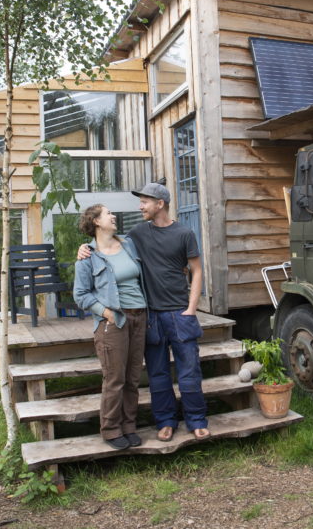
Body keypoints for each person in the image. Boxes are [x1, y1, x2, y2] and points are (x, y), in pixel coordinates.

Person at [79, 182, 210, 441]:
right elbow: (108, 242)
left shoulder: (184, 233)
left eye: (145, 202)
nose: (140, 206)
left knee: (189, 372)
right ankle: (166, 421)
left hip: (179, 313)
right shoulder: (137, 234)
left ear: (159, 204)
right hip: (150, 316)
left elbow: (196, 271)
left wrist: (192, 309)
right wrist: (85, 247)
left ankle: (196, 420)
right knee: (158, 374)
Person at [73, 204, 147, 450]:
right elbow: (81, 295)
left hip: (139, 317)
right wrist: (107, 314)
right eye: (107, 214)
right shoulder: (87, 257)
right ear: (95, 221)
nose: (114, 215)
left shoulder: (128, 244)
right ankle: (111, 429)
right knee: (115, 378)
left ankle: (128, 426)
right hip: (113, 321)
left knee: (133, 377)